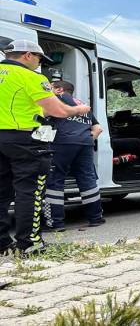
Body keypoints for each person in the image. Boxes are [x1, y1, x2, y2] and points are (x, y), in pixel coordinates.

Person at [0, 40, 90, 255]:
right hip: (24, 139)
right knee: (29, 191)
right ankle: (29, 244)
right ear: (28, 55)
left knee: (1, 192)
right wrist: (79, 109)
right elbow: (57, 110)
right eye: (39, 58)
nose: (39, 64)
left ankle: (2, 243)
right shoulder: (31, 77)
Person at [44, 81, 105, 232]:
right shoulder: (83, 105)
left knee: (54, 180)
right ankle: (96, 218)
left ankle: (55, 223)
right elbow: (98, 128)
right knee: (87, 179)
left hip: (62, 142)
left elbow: (42, 114)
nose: (47, 90)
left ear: (59, 89)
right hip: (85, 143)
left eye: (50, 87)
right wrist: (85, 138)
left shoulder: (56, 99)